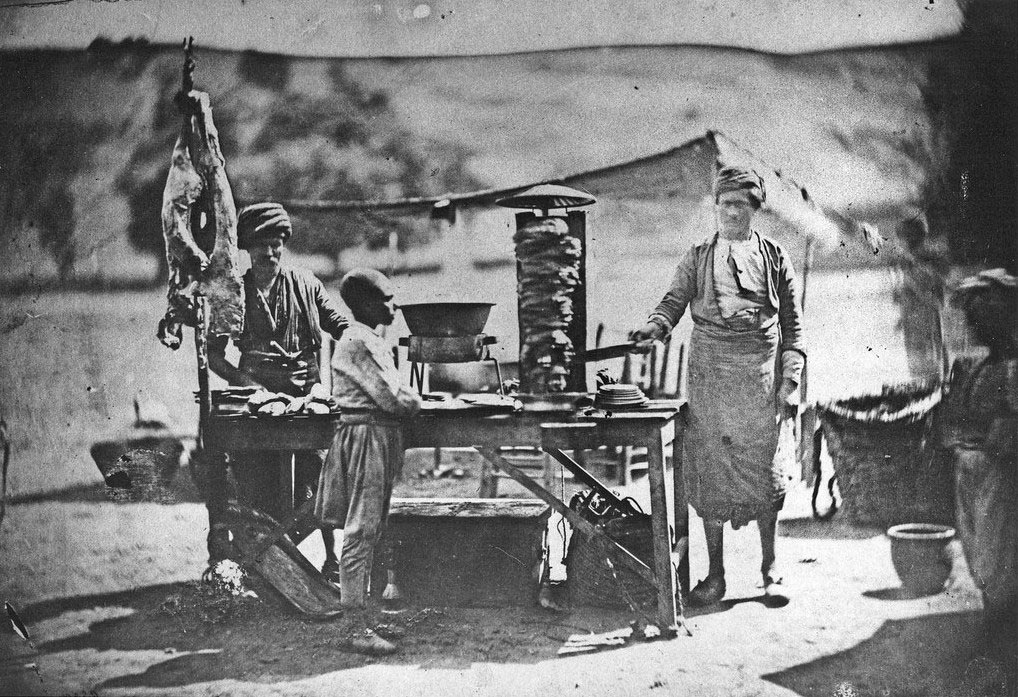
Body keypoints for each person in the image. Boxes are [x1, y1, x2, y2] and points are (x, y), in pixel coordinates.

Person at [630, 165, 805, 607]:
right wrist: (654, 327)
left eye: (739, 205)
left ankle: (770, 571)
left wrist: (791, 380)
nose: (730, 212)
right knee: (709, 476)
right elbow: (672, 301)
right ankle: (715, 576)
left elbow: (792, 326)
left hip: (759, 383)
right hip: (710, 380)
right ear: (715, 207)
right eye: (724, 204)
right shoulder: (697, 256)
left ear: (754, 209)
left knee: (765, 475)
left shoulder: (775, 257)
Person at [206, 202, 349, 579]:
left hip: (306, 398)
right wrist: (250, 386)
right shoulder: (233, 293)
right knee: (256, 480)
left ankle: (332, 559)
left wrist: (355, 339)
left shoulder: (307, 284)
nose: (269, 253)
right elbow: (215, 357)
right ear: (247, 249)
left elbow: (339, 326)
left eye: (276, 245)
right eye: (261, 246)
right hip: (258, 403)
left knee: (320, 479)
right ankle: (262, 562)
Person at [315, 268, 422, 608]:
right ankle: (354, 628)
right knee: (360, 530)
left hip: (374, 433)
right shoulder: (358, 341)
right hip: (367, 437)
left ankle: (366, 617)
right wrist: (417, 400)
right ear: (365, 305)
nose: (394, 306)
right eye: (387, 300)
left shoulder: (367, 339)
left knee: (372, 527)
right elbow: (394, 398)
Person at [943, 269, 1016, 668]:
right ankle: (996, 629)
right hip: (974, 470)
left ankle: (1000, 639)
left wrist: (986, 446)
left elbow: (1008, 428)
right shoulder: (981, 365)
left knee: (998, 556)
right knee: (980, 552)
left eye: (982, 317)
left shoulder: (1011, 368)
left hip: (1000, 476)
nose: (973, 324)